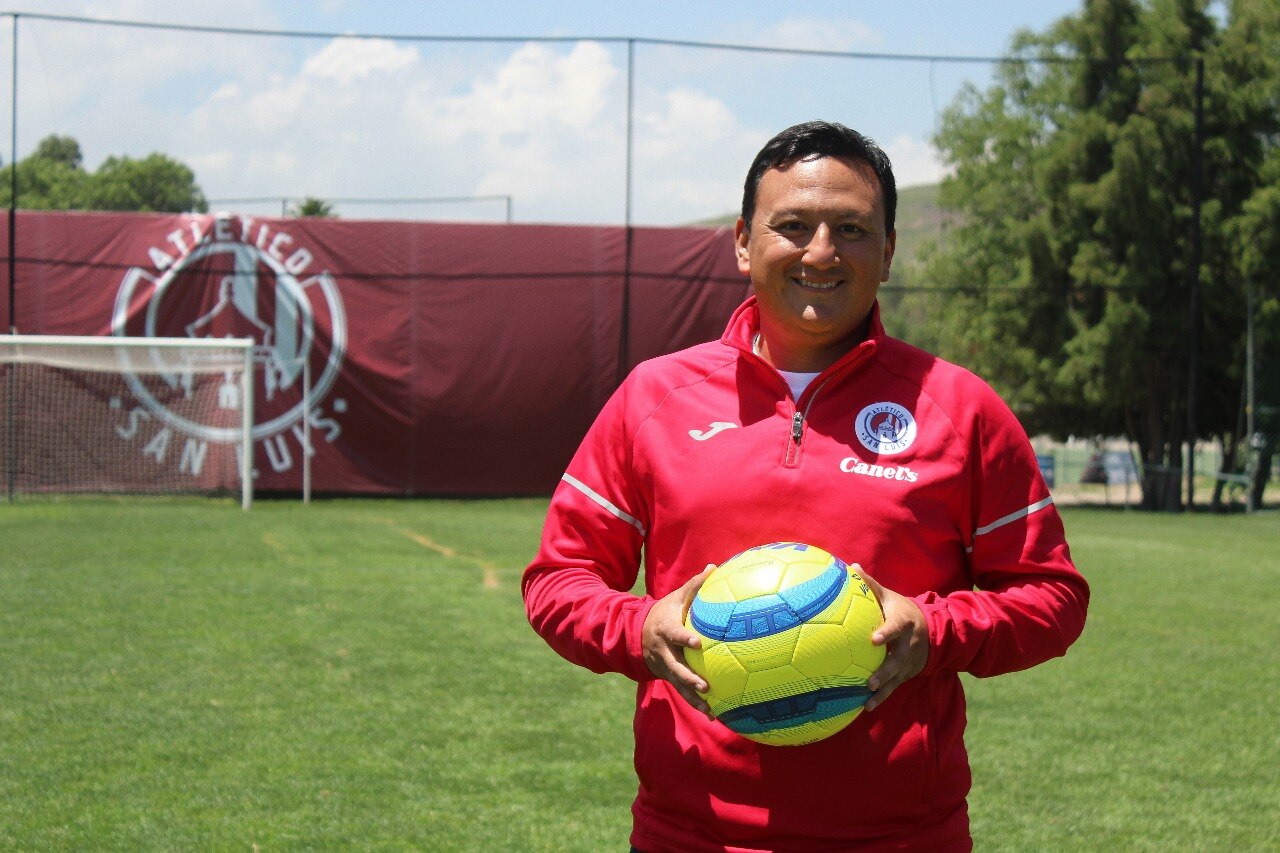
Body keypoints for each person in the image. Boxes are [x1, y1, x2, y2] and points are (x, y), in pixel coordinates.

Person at [522, 120, 1089, 852]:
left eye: (851, 229)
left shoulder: (960, 408)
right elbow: (558, 580)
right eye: (792, 225)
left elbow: (1053, 598)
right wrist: (638, 629)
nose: (821, 251)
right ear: (742, 242)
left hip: (901, 839)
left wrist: (934, 632)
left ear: (888, 250)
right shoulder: (653, 398)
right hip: (690, 834)